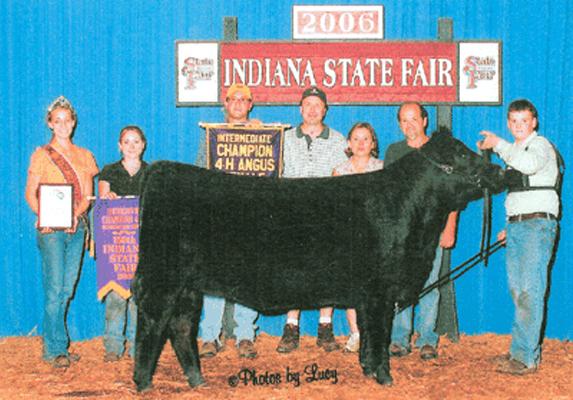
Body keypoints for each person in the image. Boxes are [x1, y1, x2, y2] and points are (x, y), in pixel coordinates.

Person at [478, 99, 560, 375]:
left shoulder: (540, 146)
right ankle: (519, 352)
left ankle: (526, 358)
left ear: (534, 122)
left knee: (529, 291)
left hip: (537, 226)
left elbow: (529, 165)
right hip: (519, 226)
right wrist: (508, 225)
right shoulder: (515, 150)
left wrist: (499, 144)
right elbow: (518, 193)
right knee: (519, 291)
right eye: (513, 121)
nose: (518, 126)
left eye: (524, 121)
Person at [25, 96, 98, 368]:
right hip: (51, 231)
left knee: (66, 289)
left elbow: (88, 196)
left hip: (76, 228)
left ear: (74, 122)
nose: (63, 125)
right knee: (55, 289)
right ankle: (54, 349)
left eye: (67, 120)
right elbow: (30, 194)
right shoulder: (41, 155)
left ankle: (58, 346)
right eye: (58, 120)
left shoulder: (85, 156)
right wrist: (45, 215)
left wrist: (74, 216)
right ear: (50, 124)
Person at [276, 86, 348, 353]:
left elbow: (345, 177)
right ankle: (291, 327)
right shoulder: (283, 138)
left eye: (318, 105)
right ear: (300, 109)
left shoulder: (340, 141)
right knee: (293, 268)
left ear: (325, 110)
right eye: (308, 104)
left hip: (325, 213)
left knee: (326, 268)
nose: (313, 109)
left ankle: (325, 327)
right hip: (292, 212)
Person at [385, 102, 458, 360]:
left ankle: (427, 338)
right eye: (404, 121)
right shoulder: (394, 151)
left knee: (430, 284)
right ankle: (399, 338)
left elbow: (452, 194)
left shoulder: (440, 151)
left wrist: (449, 228)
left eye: (413, 119)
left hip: (433, 228)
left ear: (425, 120)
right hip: (404, 231)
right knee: (402, 283)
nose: (409, 125)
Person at [197, 83, 260, 359]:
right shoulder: (211, 136)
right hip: (218, 216)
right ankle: (210, 336)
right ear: (225, 104)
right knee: (214, 277)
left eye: (243, 99)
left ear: (250, 105)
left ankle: (246, 335)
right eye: (232, 99)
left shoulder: (262, 134)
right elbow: (201, 174)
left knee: (248, 276)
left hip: (250, 215)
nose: (237, 103)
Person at [332, 122, 384, 353]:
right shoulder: (339, 171)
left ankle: (374, 333)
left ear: (373, 144)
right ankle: (356, 333)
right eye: (356, 139)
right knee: (352, 286)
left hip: (375, 236)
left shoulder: (382, 169)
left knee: (375, 287)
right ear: (348, 144)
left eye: (366, 139)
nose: (361, 144)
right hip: (348, 236)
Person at [98, 126, 148, 362]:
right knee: (116, 296)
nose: (131, 146)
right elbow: (101, 206)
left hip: (143, 243)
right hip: (116, 244)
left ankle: (138, 346)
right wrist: (107, 199)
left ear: (143, 144)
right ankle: (113, 346)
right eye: (126, 141)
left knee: (139, 296)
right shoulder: (109, 171)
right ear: (119, 145)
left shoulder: (151, 173)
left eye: (136, 141)